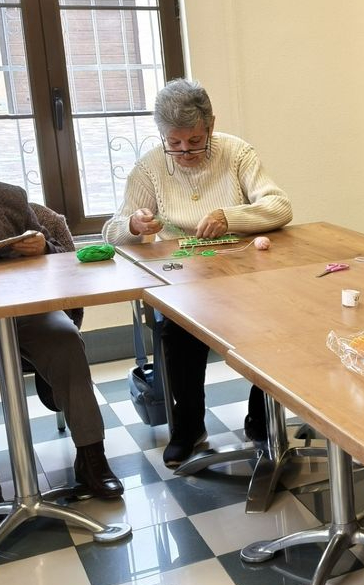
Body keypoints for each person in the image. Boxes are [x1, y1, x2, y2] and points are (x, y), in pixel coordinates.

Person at [103, 79, 293, 466]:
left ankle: (261, 420)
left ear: (211, 125)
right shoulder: (150, 167)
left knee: (274, 324)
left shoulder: (237, 153)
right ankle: (189, 426)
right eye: (174, 143)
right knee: (177, 332)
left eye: (194, 141)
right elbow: (111, 232)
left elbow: (280, 207)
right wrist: (134, 225)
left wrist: (230, 216)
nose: (184, 152)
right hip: (183, 276)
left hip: (242, 272)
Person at [0, 117, 122, 507]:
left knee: (66, 340)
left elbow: (59, 260)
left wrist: (42, 247)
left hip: (26, 310)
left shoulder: (9, 196)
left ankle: (92, 458)